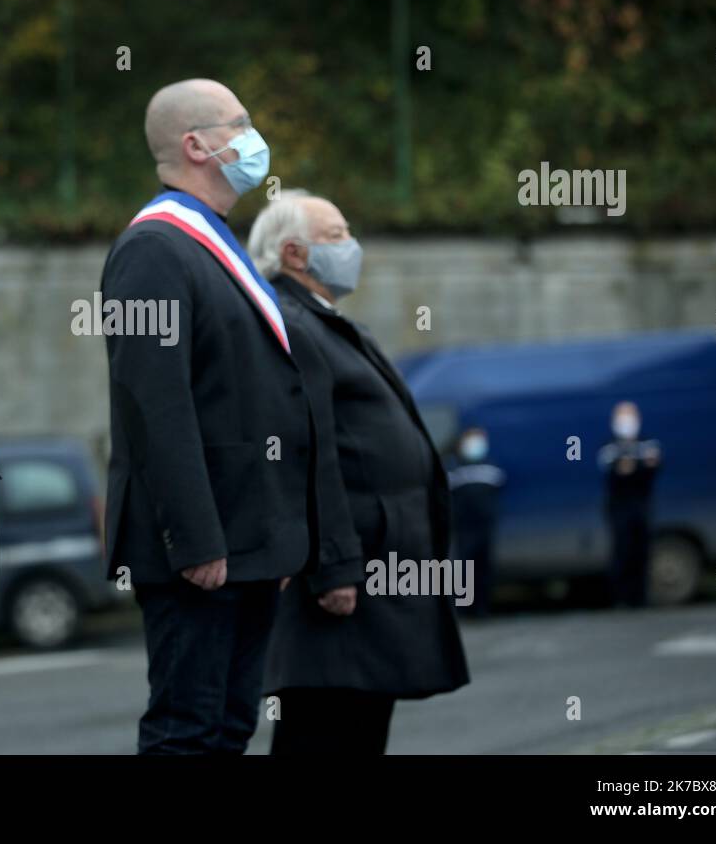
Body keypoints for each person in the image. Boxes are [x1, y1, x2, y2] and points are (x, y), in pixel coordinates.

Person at [101, 79, 314, 754]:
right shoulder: (153, 249)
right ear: (196, 145)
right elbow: (154, 406)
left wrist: (275, 534)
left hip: (247, 540)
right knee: (186, 733)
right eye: (240, 124)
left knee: (226, 728)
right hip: (202, 550)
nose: (254, 138)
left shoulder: (211, 244)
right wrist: (195, 539)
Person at [249, 189, 469, 755]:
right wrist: (333, 568)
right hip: (347, 574)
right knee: (325, 728)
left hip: (375, 563)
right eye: (337, 235)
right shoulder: (292, 323)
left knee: (361, 726)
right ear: (295, 253)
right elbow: (306, 453)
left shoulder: (321, 319)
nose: (352, 246)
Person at [597, 401, 662, 607]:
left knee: (641, 549)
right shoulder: (609, 445)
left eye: (630, 415)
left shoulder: (647, 442)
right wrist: (635, 467)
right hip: (619, 505)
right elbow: (614, 470)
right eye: (622, 416)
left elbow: (652, 466)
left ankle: (640, 596)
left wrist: (633, 467)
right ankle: (620, 597)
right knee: (621, 549)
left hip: (642, 503)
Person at [445, 427, 506, 618]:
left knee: (484, 567)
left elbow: (498, 491)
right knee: (465, 568)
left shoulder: (491, 467)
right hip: (464, 527)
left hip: (485, 526)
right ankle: (464, 608)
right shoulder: (455, 468)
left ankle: (482, 607)